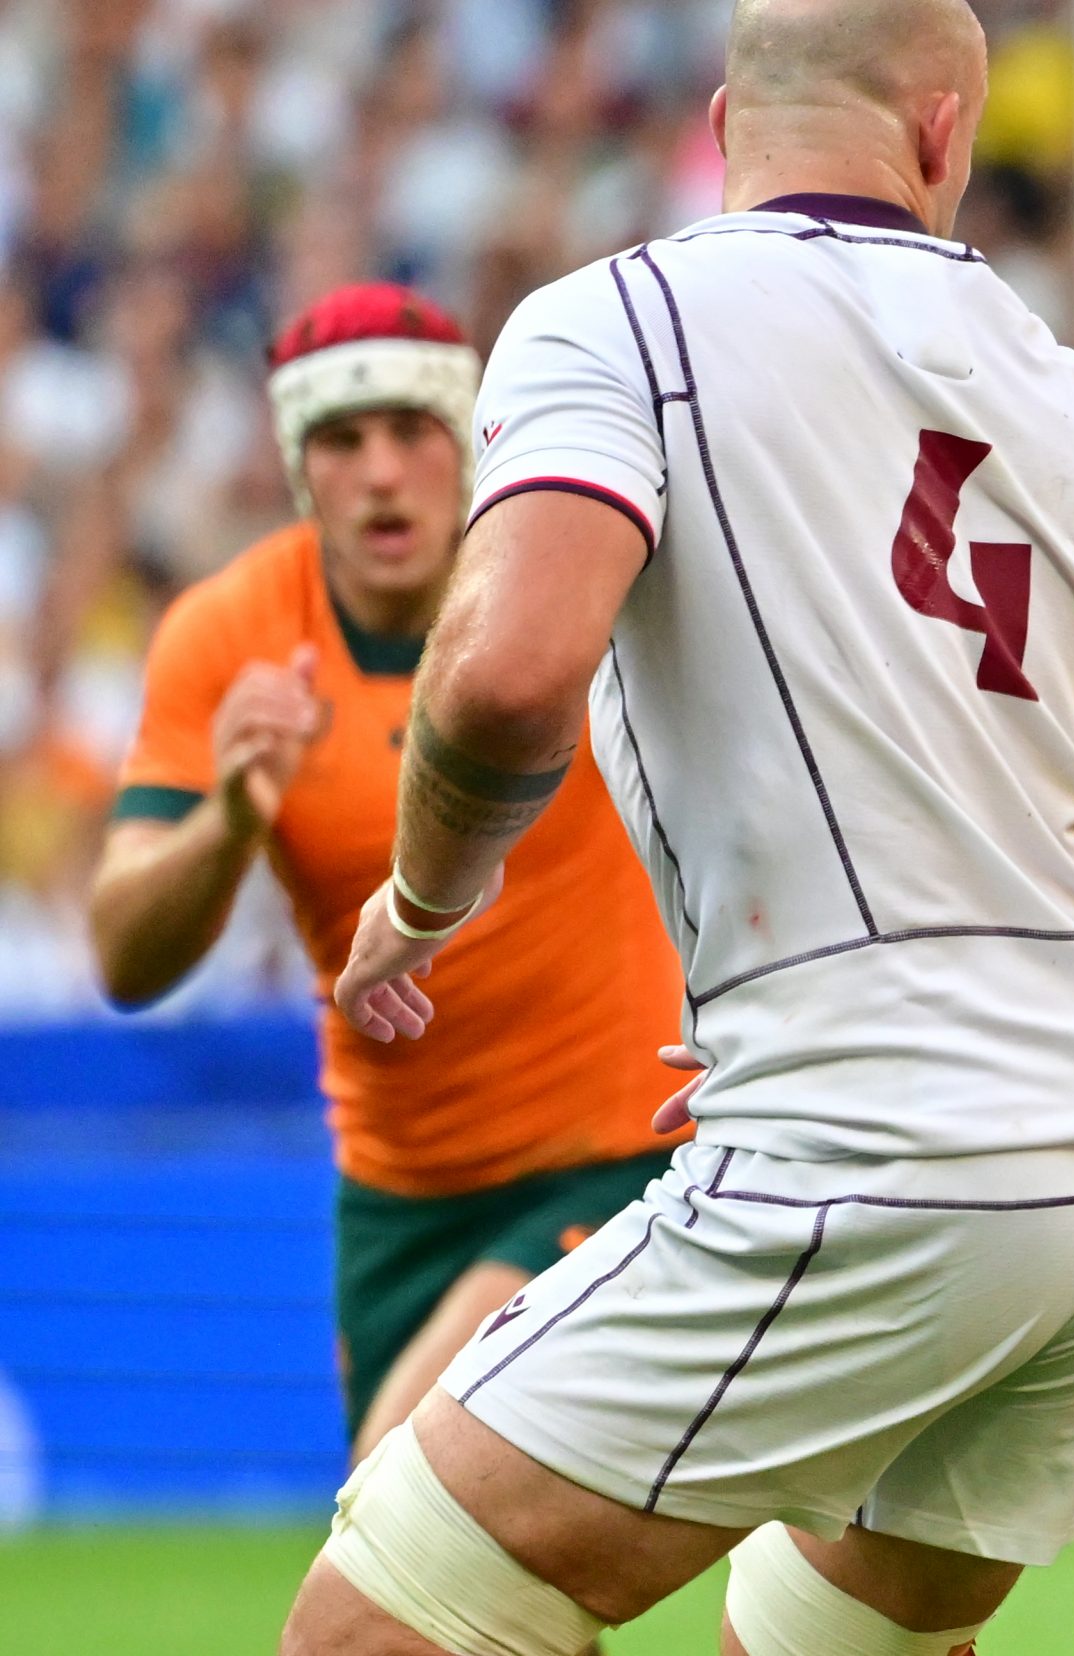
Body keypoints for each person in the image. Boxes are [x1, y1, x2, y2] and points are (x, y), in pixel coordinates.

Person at [277, 0, 1074, 1650]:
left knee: (379, 1625)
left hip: (875, 1147)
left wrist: (423, 900)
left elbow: (503, 683)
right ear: (945, 139)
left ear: (722, 121)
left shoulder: (615, 324)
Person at [88, 282, 686, 1462]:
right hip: (398, 1194)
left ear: (466, 443)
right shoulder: (230, 636)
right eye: (341, 440)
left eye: (412, 432)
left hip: (615, 1155)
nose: (379, 473)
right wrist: (227, 822)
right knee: (475, 1625)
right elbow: (123, 957)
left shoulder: (558, 582)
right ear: (297, 466)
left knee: (394, 1527)